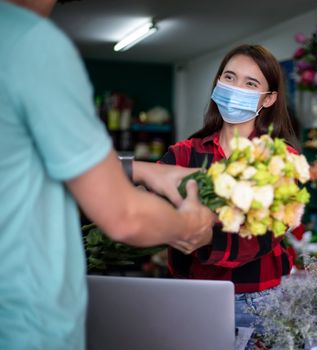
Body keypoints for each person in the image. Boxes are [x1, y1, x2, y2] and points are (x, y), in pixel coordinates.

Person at [0, 1, 216, 349]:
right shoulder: (32, 44)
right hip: (22, 324)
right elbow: (124, 216)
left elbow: (34, 156)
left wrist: (143, 169)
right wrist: (189, 224)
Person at [158, 44, 300, 343]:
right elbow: (149, 208)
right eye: (229, 77)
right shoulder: (183, 153)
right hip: (192, 297)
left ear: (270, 98)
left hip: (258, 303)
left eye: (251, 83)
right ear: (217, 83)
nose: (236, 88)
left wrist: (206, 236)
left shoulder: (281, 160)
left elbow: (260, 239)